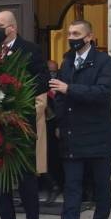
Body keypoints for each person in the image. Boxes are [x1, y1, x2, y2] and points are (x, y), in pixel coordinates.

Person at [49, 20, 111, 219]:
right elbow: (59, 96)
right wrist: (59, 123)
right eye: (69, 33)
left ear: (89, 37)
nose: (71, 37)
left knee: (101, 184)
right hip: (72, 135)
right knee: (72, 185)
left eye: (76, 33)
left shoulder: (105, 62)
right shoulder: (67, 62)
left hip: (98, 135)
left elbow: (102, 92)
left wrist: (70, 89)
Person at [0, 10, 50, 219]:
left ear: (12, 28)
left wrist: (19, 100)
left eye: (0, 25)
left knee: (26, 178)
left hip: (21, 124)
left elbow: (42, 80)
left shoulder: (30, 50)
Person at [42, 58, 64, 204]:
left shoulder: (61, 85)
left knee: (55, 158)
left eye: (55, 71)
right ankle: (52, 185)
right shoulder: (41, 84)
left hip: (55, 126)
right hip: (42, 126)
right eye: (50, 71)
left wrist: (59, 125)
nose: (52, 74)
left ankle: (57, 186)